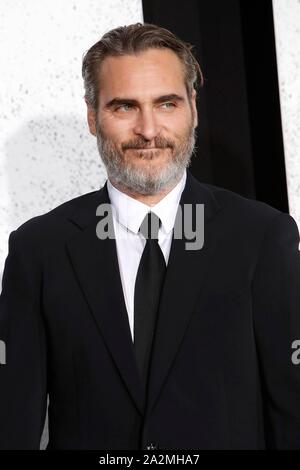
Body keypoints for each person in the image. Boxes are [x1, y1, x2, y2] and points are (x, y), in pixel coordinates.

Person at [0, 22, 300, 450]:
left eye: (166, 103)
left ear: (192, 108)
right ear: (92, 115)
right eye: (124, 107)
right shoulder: (39, 250)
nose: (148, 130)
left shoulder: (262, 239)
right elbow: (12, 423)